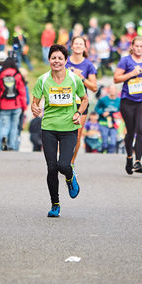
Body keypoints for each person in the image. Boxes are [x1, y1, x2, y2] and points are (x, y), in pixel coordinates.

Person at [31, 44, 88, 217]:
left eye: (60, 58)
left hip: (69, 128)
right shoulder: (42, 80)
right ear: (49, 60)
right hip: (48, 127)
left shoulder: (73, 79)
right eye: (53, 58)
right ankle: (55, 204)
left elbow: (84, 99)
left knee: (63, 165)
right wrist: (34, 108)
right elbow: (34, 102)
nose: (56, 61)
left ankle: (70, 176)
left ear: (65, 60)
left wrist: (79, 113)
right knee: (51, 168)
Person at [114, 36, 142, 174]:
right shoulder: (125, 61)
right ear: (132, 47)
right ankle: (129, 157)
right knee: (130, 131)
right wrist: (132, 73)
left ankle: (138, 161)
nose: (139, 48)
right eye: (136, 46)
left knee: (140, 128)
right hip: (128, 101)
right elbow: (116, 78)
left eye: (141, 46)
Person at [66, 35, 99, 164]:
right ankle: (63, 159)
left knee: (77, 136)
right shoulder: (65, 62)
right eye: (76, 43)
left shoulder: (88, 65)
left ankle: (71, 163)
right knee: (61, 134)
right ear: (72, 46)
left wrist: (81, 78)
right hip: (64, 102)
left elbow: (94, 87)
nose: (78, 46)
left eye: (81, 44)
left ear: (85, 47)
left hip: (81, 104)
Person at [0, 56, 27, 151]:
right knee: (14, 127)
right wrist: (24, 106)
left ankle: (3, 139)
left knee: (5, 126)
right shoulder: (17, 75)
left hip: (3, 105)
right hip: (16, 105)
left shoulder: (0, 75)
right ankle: (12, 146)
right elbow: (22, 92)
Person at [95, 84, 121, 153]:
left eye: (113, 89)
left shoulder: (119, 100)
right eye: (111, 89)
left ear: (116, 91)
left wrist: (118, 115)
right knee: (105, 143)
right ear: (108, 90)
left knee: (113, 142)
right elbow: (96, 108)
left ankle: (110, 156)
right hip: (104, 123)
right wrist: (102, 112)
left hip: (114, 124)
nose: (112, 91)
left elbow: (122, 111)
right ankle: (103, 154)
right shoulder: (103, 99)